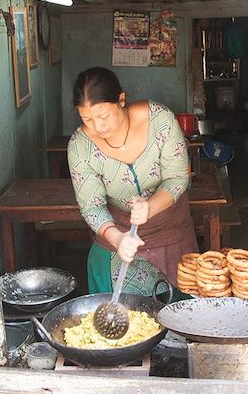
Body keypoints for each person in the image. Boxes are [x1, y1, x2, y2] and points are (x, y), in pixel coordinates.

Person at [67, 67, 198, 296]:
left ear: (121, 99)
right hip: (118, 236)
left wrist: (151, 207)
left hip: (171, 232)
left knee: (178, 311)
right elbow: (92, 206)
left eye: (103, 116)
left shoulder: (160, 120)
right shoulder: (80, 146)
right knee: (119, 317)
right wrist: (117, 238)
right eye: (86, 119)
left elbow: (177, 177)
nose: (98, 127)